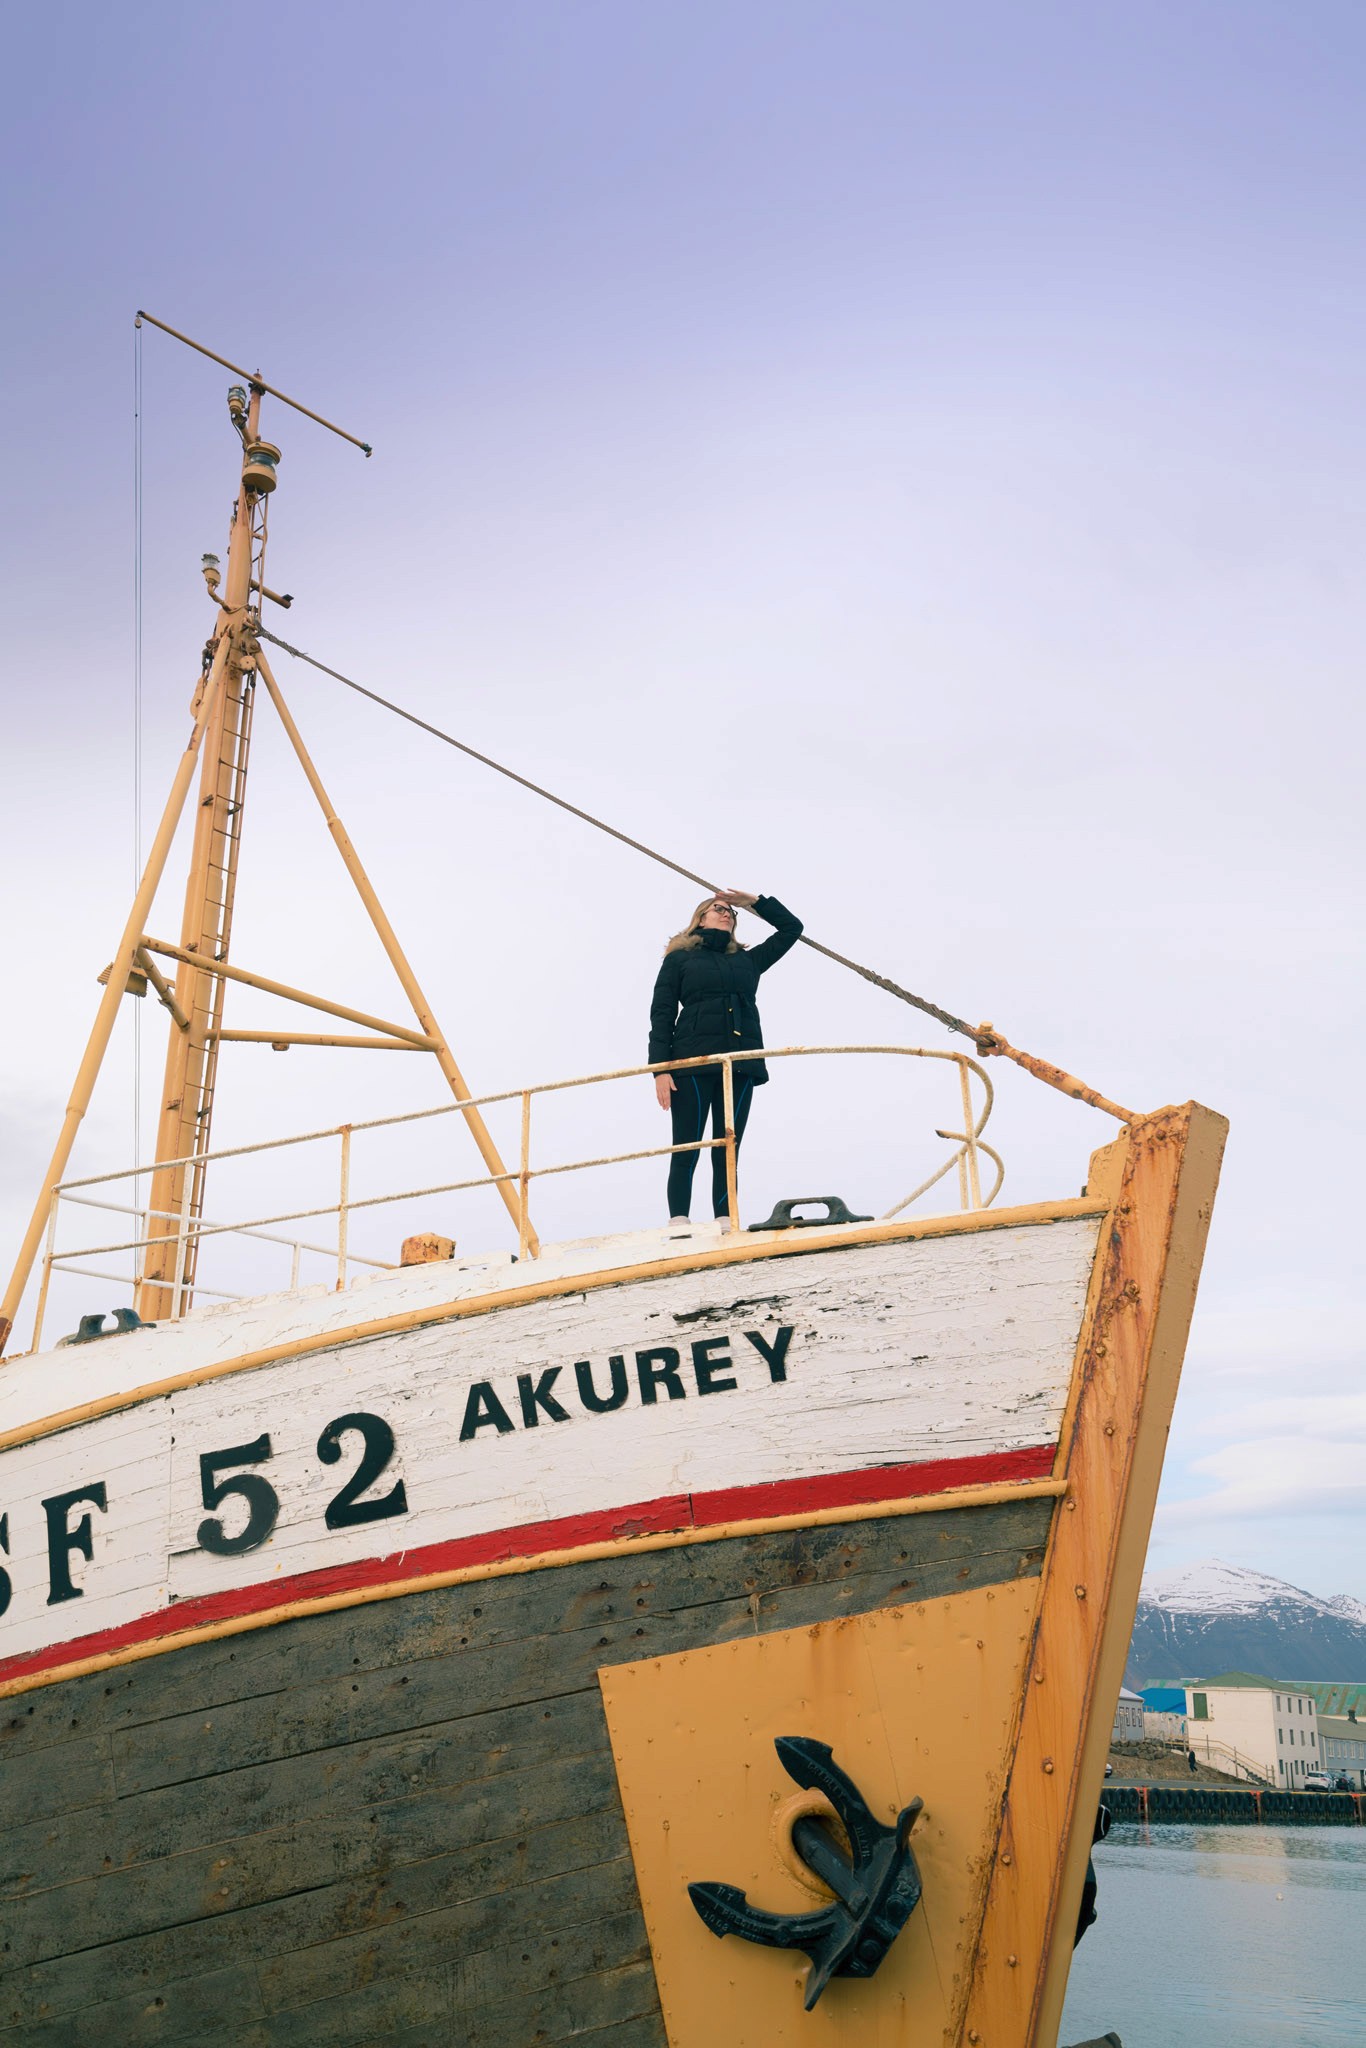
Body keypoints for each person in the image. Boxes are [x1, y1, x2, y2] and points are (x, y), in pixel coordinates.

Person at [648, 888, 803, 1225]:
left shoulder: (746, 960)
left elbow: (792, 929)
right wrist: (660, 1070)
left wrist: (754, 903)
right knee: (686, 1145)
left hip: (741, 1063)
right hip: (691, 1062)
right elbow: (661, 1013)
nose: (726, 913)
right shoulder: (679, 959)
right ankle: (679, 1222)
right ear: (700, 917)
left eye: (732, 912)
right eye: (718, 908)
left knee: (728, 1146)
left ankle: (725, 1219)